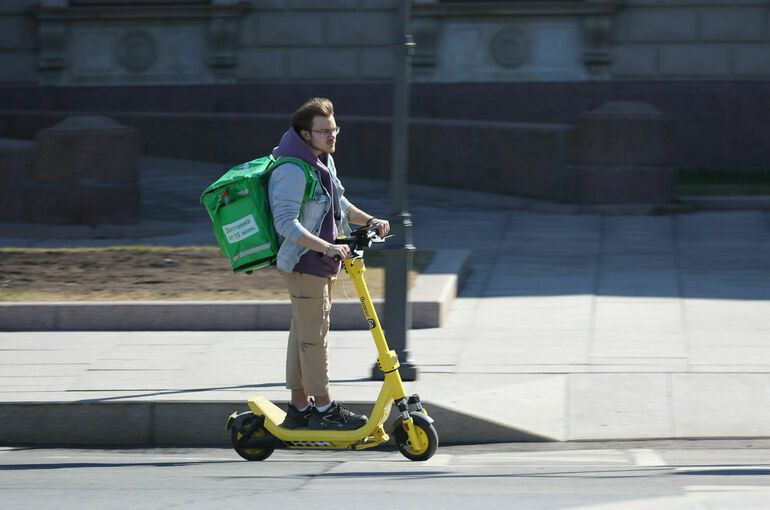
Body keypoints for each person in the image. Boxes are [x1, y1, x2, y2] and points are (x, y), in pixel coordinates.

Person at [268, 97, 390, 430]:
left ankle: (299, 406)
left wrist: (369, 220)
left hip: (320, 263)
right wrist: (327, 247)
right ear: (305, 134)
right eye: (324, 132)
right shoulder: (292, 169)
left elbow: (340, 201)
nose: (332, 136)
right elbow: (285, 223)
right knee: (314, 337)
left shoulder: (322, 161)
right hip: (305, 264)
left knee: (302, 334)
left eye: (334, 130)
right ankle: (322, 409)